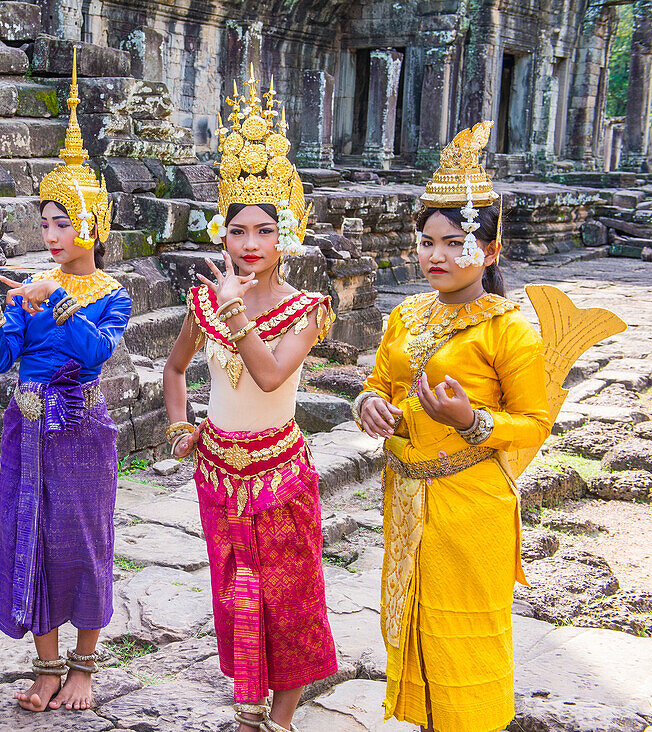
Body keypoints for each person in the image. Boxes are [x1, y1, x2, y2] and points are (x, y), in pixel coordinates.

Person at [353, 121, 552, 731]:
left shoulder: (508, 328)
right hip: (408, 496)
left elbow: (536, 421)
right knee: (411, 624)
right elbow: (380, 386)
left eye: (454, 241)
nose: (435, 255)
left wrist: (472, 421)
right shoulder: (406, 316)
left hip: (472, 503)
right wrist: (368, 406)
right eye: (426, 241)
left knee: (464, 635)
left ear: (490, 251)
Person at [162, 70, 338, 732]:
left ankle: (283, 715)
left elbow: (269, 379)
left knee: (289, 599)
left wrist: (238, 320)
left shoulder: (308, 309)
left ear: (284, 235)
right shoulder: (205, 301)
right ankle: (248, 707)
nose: (250, 246)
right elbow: (175, 371)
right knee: (238, 595)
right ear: (222, 232)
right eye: (239, 231)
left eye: (264, 231)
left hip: (280, 473)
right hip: (217, 472)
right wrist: (182, 430)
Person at [0, 48, 132, 713]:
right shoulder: (31, 284)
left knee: (81, 541)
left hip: (81, 426)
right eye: (46, 221)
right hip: (25, 428)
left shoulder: (110, 292)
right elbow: (2, 362)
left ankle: (85, 666)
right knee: (26, 536)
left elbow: (93, 356)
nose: (51, 232)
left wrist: (54, 300)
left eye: (63, 222)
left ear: (91, 224)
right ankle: (45, 663)